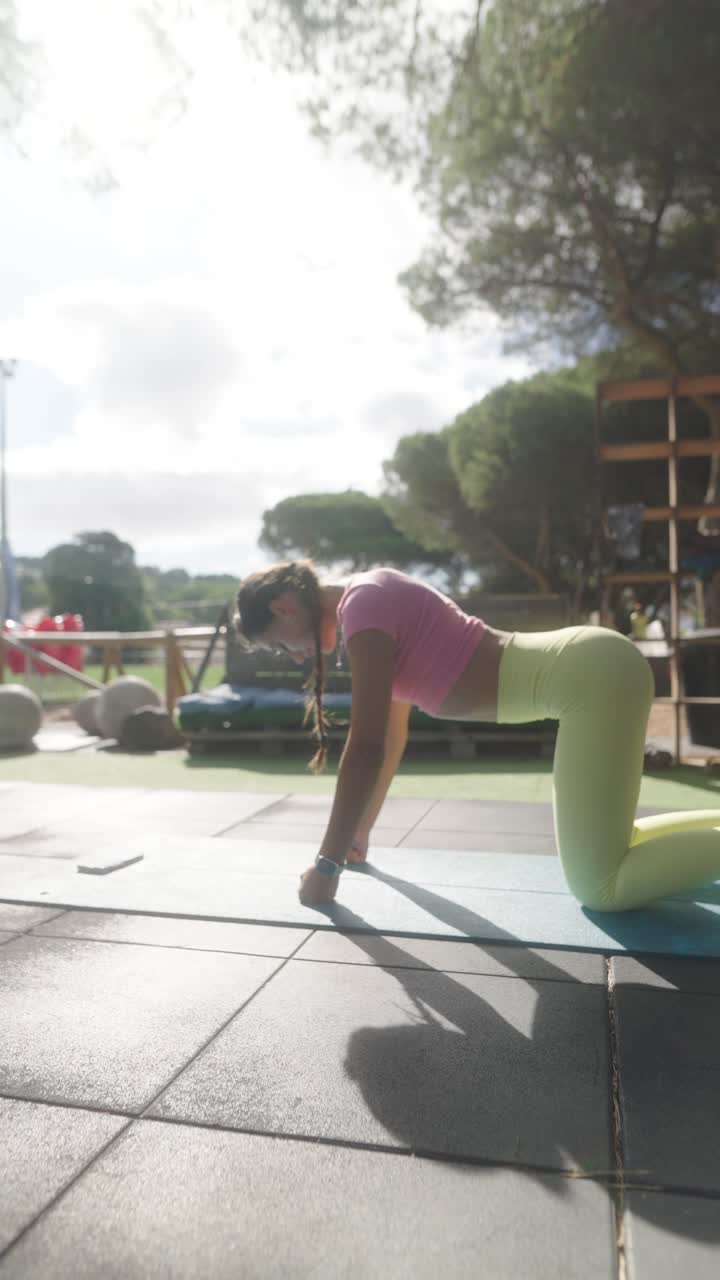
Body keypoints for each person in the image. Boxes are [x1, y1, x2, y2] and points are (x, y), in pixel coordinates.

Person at [233, 560, 720, 911]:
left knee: (602, 885)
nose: (295, 656)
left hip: (592, 680)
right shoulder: (368, 601)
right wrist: (359, 833)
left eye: (280, 643)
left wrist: (327, 866)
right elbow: (391, 737)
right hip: (593, 674)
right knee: (616, 843)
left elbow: (365, 748)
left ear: (283, 608)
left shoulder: (363, 606)